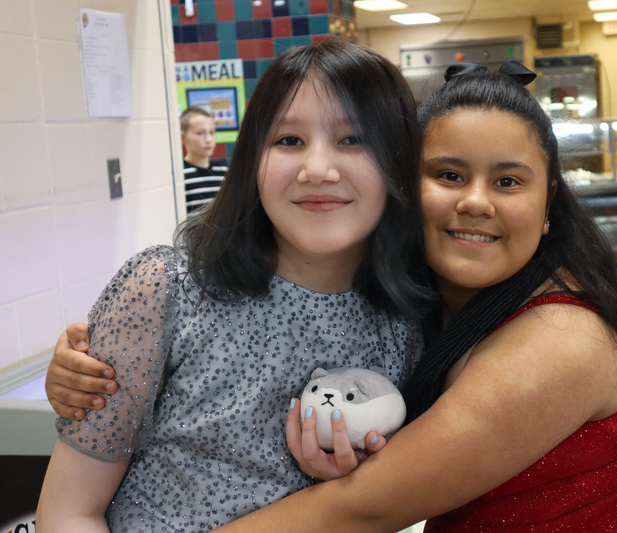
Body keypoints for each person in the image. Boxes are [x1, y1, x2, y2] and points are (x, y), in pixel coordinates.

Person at [46, 62, 617, 532]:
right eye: (449, 174)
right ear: (408, 183)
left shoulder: (560, 338)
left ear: (549, 200)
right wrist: (99, 361)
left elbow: (362, 508)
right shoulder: (413, 301)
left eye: (508, 181)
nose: (475, 202)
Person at [35, 41, 431, 532]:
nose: (317, 169)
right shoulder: (165, 291)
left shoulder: (414, 318)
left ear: (399, 160)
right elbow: (70, 511)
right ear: (251, 157)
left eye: (354, 139)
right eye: (289, 139)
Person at [180, 106, 229, 213]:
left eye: (211, 132)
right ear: (183, 137)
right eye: (200, 133)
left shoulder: (224, 171)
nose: (208, 139)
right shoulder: (180, 175)